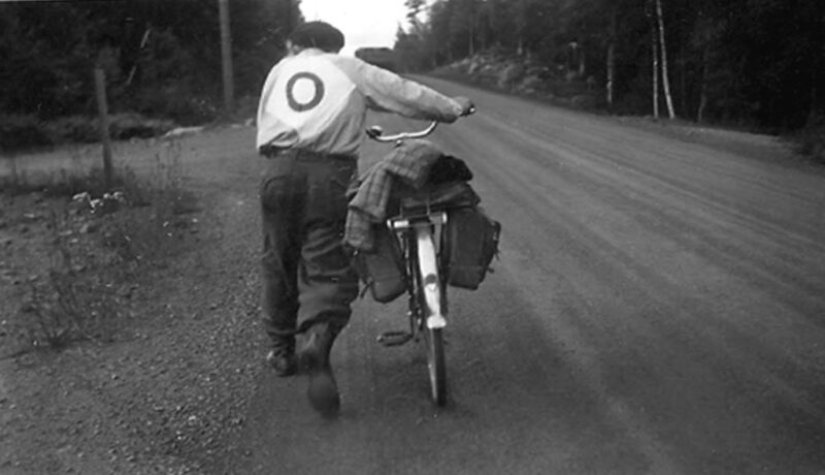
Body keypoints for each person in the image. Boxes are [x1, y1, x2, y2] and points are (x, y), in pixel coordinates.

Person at [256, 21, 473, 417]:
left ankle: (282, 351)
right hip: (329, 175)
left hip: (276, 171)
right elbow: (404, 93)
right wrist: (452, 107)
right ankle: (316, 338)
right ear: (334, 47)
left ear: (298, 43)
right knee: (327, 266)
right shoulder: (348, 68)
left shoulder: (278, 70)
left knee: (278, 260)